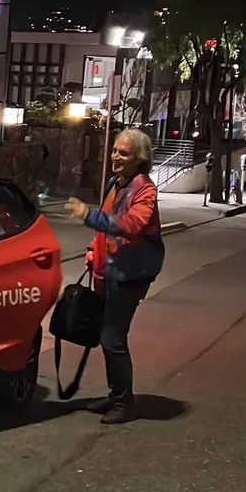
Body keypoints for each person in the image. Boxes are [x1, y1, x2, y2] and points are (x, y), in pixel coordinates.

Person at [66, 129, 164, 424]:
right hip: (107, 270)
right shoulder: (115, 184)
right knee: (109, 337)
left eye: (124, 153)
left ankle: (123, 403)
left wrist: (88, 215)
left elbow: (131, 225)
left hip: (129, 274)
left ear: (140, 159)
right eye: (115, 151)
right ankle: (116, 395)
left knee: (112, 337)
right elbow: (105, 227)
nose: (116, 157)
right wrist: (91, 250)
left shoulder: (144, 188)